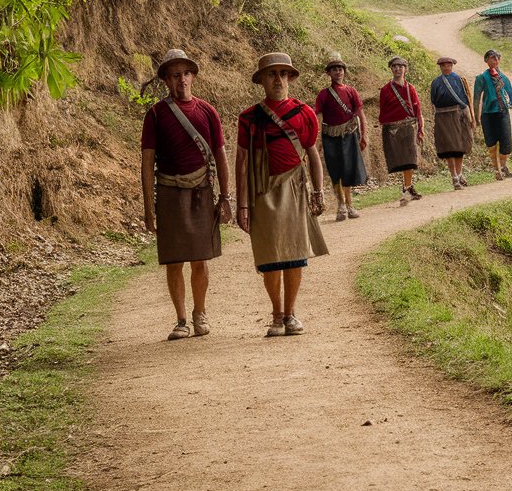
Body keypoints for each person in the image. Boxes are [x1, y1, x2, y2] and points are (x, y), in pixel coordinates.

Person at [140, 48, 232, 342]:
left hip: (202, 192)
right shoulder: (155, 114)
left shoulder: (207, 111)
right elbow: (146, 162)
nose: (182, 79)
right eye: (175, 75)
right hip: (168, 191)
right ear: (166, 79)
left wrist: (226, 196)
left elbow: (220, 155)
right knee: (174, 260)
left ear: (193, 76)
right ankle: (181, 319)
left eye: (186, 73)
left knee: (200, 259)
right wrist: (148, 207)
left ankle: (200, 313)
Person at [235, 52, 328, 337]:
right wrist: (242, 205)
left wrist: (319, 192)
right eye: (271, 74)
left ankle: (290, 314)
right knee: (269, 255)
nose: (277, 79)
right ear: (261, 80)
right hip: (262, 190)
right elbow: (241, 161)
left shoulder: (304, 113)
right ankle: (276, 314)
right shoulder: (249, 118)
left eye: (282, 74)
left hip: (296, 189)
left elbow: (313, 155)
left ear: (289, 78)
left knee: (295, 253)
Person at [314, 54, 369, 222]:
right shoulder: (323, 95)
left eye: (340, 69)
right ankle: (341, 205)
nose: (338, 72)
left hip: (349, 135)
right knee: (335, 170)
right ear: (328, 74)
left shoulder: (351, 91)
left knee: (348, 169)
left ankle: (349, 204)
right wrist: (315, 141)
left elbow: (360, 114)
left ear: (344, 72)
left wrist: (364, 135)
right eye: (334, 70)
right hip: (330, 137)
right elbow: (315, 116)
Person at [378, 56, 424, 206]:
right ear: (391, 69)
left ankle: (406, 189)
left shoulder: (411, 88)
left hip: (409, 127)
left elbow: (418, 111)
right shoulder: (385, 90)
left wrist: (420, 130)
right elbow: (383, 112)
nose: (397, 69)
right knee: (399, 160)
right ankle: (408, 187)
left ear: (405, 69)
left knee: (409, 159)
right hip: (392, 129)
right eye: (394, 66)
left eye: (400, 66)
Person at [473, 49, 512, 181]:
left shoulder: (504, 78)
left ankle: (503, 167)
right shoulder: (482, 78)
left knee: (506, 142)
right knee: (491, 142)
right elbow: (476, 98)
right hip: (488, 113)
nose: (495, 60)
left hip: (503, 111)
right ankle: (496, 170)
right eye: (492, 58)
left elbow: (510, 95)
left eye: (497, 58)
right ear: (486, 60)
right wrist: (476, 117)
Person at [429, 56, 475, 190]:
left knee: (459, 146)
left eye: (448, 65)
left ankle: (459, 174)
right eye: (443, 65)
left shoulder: (460, 80)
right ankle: (454, 176)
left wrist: (470, 117)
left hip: (458, 115)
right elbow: (433, 100)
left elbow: (467, 99)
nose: (446, 67)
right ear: (440, 67)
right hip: (443, 117)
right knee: (448, 148)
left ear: (452, 66)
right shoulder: (436, 83)